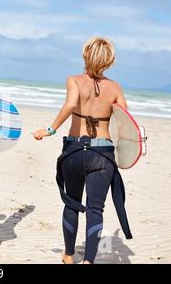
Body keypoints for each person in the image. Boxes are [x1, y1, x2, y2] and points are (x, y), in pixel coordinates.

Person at [33, 37, 132, 264]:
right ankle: (88, 261)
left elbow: (70, 105)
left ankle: (68, 256)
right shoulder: (115, 88)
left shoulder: (74, 80)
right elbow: (126, 122)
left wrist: (49, 130)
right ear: (109, 61)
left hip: (75, 150)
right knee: (95, 209)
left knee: (72, 203)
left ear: (85, 55)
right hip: (102, 154)